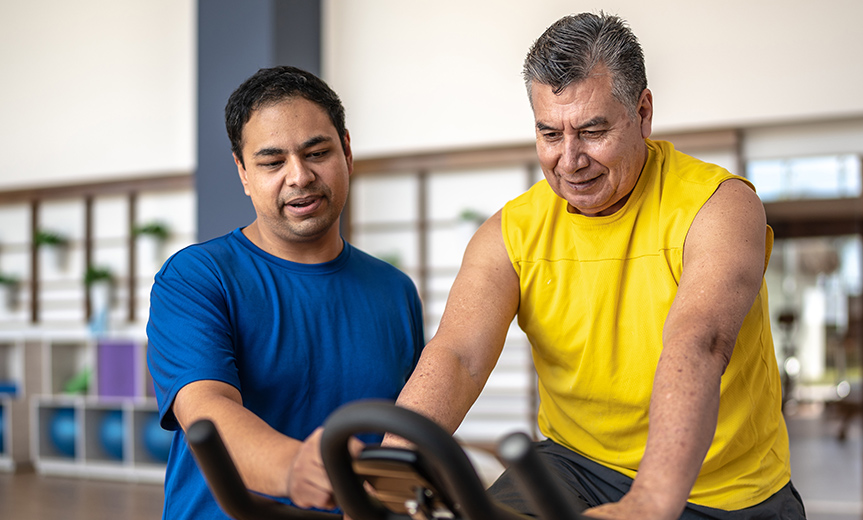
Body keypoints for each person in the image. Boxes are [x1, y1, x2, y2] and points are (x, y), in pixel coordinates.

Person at [392, 13, 805, 520]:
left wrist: (650, 502)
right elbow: (458, 356)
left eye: (592, 130)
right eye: (549, 133)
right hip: (574, 464)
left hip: (728, 489)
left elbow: (701, 341)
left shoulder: (718, 206)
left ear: (643, 112)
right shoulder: (509, 234)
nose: (569, 160)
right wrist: (388, 474)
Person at [146, 66, 424, 519]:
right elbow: (205, 409)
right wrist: (292, 466)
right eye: (272, 162)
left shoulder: (394, 291)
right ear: (243, 173)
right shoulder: (195, 278)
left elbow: (405, 430)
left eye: (317, 152)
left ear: (347, 151)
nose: (299, 176)